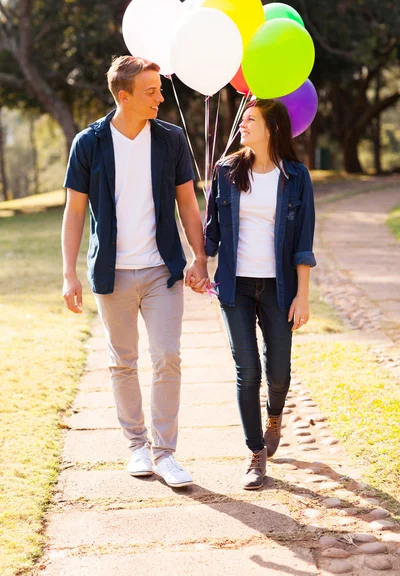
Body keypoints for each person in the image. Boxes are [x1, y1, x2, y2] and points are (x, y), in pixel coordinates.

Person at [61, 55, 208, 488]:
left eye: (160, 90)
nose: (160, 98)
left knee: (168, 357)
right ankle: (137, 447)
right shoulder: (88, 143)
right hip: (113, 275)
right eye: (151, 91)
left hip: (163, 271)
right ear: (124, 96)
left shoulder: (171, 139)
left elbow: (187, 203)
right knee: (122, 363)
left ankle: (165, 453)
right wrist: (69, 273)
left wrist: (199, 257)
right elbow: (73, 212)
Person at [204, 99, 316, 490]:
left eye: (251, 120)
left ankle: (274, 416)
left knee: (279, 373)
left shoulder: (296, 177)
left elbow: (303, 242)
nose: (242, 125)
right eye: (243, 119)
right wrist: (197, 263)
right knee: (247, 371)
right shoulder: (225, 171)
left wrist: (302, 295)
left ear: (272, 129)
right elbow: (211, 235)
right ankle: (255, 453)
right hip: (234, 286)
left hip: (279, 287)